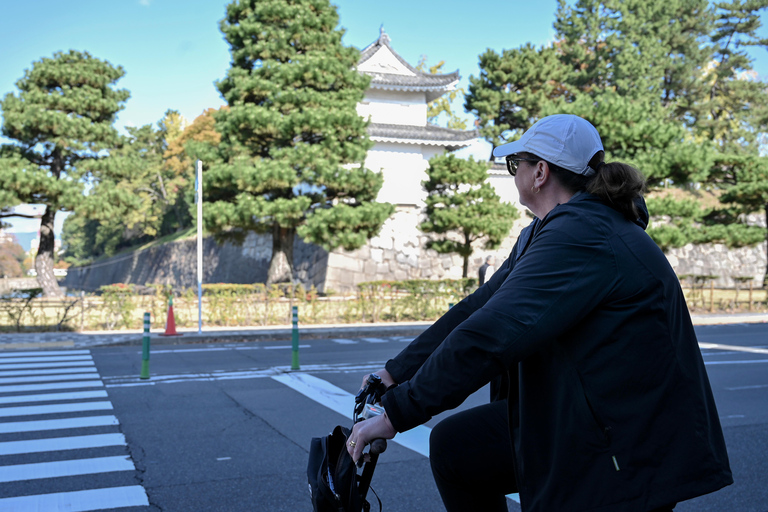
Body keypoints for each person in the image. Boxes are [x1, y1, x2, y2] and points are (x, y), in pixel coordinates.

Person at [346, 114, 732, 512]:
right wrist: (395, 372)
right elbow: (478, 307)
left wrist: (396, 413)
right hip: (584, 412)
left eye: (516, 164)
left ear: (540, 173)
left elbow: (493, 332)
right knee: (455, 448)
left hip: (624, 438)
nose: (514, 173)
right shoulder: (545, 232)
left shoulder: (585, 233)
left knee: (462, 450)